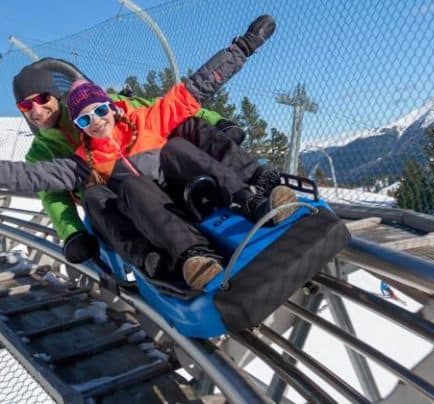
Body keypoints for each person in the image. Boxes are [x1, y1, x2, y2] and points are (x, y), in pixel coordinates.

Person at [2, 15, 297, 290]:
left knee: (178, 145)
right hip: (141, 207)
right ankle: (191, 258)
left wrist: (244, 47)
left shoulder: (142, 120)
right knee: (127, 186)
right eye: (85, 120)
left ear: (113, 107)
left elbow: (195, 90)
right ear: (79, 127)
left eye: (101, 111)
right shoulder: (83, 159)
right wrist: (71, 232)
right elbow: (35, 179)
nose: (96, 121)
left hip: (180, 183)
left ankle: (250, 199)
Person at [12, 27, 249, 247]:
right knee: (98, 195)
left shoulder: (100, 105)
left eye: (42, 99)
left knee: (184, 132)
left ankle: (249, 186)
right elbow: (52, 194)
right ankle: (156, 259)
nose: (36, 110)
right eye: (26, 105)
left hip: (153, 172)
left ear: (54, 95)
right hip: (118, 199)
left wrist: (216, 121)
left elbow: (164, 108)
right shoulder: (40, 153)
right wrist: (72, 233)